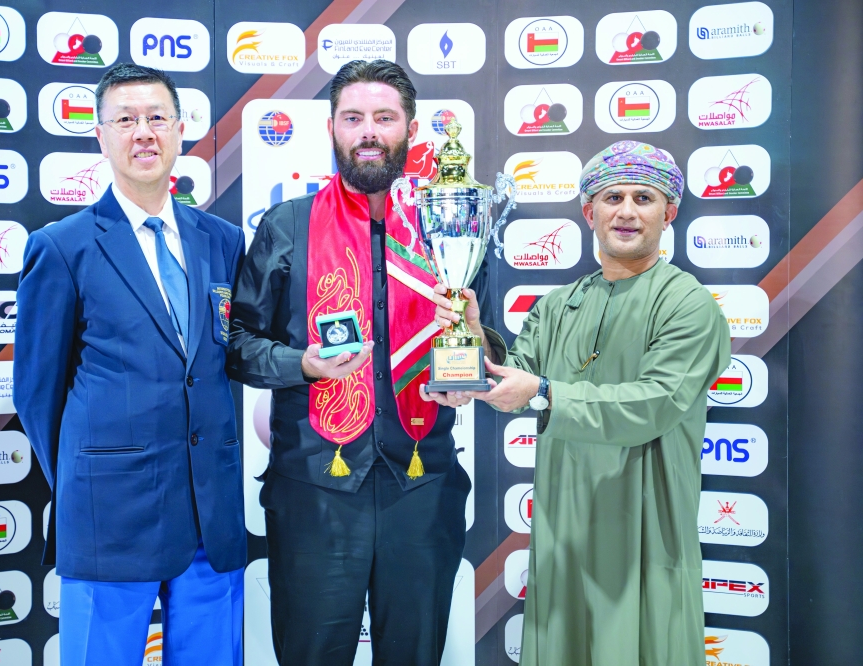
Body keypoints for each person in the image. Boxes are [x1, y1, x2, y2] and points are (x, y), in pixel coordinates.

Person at [226, 59, 504, 665]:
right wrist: (303, 364)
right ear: (331, 128)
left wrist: (471, 371)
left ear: (411, 129)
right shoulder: (286, 225)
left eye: (384, 117)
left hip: (422, 486)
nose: (369, 131)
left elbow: (487, 340)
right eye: (353, 118)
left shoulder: (448, 223)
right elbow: (238, 345)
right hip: (313, 490)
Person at [427, 141, 731, 665]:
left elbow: (652, 404)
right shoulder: (557, 305)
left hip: (646, 529)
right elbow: (513, 378)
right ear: (590, 212)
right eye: (613, 197)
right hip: (563, 525)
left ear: (669, 213)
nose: (627, 211)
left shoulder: (688, 304)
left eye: (644, 198)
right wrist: (471, 340)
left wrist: (545, 392)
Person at [13, 63, 245, 666]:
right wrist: (90, 477)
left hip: (211, 515)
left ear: (180, 129)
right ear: (101, 135)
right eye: (125, 120)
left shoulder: (222, 240)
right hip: (110, 518)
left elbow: (226, 354)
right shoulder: (62, 246)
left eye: (157, 118)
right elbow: (37, 394)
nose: (144, 132)